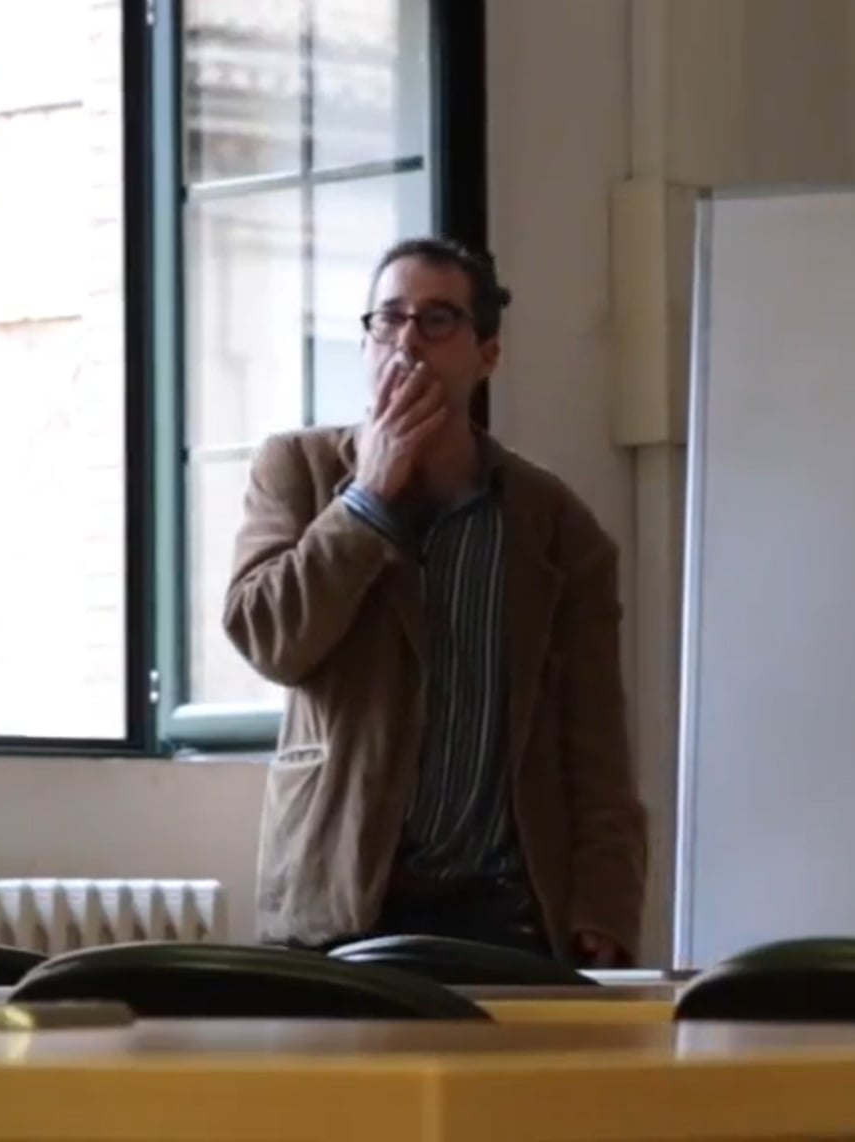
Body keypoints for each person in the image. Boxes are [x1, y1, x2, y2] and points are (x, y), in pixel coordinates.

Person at [222, 237, 648, 967]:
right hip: (339, 901)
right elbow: (269, 639)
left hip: (505, 910)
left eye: (438, 319)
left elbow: (596, 745)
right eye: (388, 318)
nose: (408, 341)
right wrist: (366, 501)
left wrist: (602, 911)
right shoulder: (298, 470)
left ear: (488, 354)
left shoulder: (555, 525)